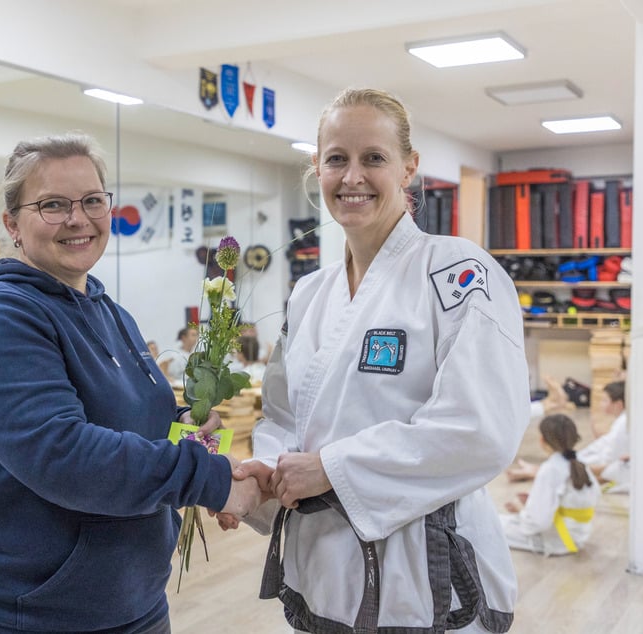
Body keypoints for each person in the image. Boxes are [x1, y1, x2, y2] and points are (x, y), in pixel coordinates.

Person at [0, 132, 260, 634]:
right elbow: (64, 457)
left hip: (131, 602)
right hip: (20, 614)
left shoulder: (110, 313)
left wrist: (190, 431)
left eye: (91, 201)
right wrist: (207, 480)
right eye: (53, 205)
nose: (77, 218)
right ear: (12, 224)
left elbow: (137, 426)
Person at [221, 88, 531, 632]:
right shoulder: (309, 293)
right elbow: (284, 418)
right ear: (317, 167)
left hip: (423, 565)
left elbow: (480, 429)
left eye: (374, 158)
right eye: (337, 158)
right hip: (321, 566)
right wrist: (261, 477)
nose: (352, 176)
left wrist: (333, 469)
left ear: (409, 168)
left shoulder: (456, 271)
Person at [500, 414, 600, 555]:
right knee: (502, 521)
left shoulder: (551, 469)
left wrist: (520, 510)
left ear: (542, 440)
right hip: (578, 535)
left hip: (557, 539)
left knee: (490, 526)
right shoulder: (581, 463)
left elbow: (538, 523)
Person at [508, 380, 627, 483]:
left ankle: (534, 472)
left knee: (561, 467)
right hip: (598, 464)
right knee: (563, 464)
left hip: (604, 468)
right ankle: (535, 470)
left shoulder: (622, 424)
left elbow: (607, 462)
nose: (601, 403)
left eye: (605, 400)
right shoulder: (621, 422)